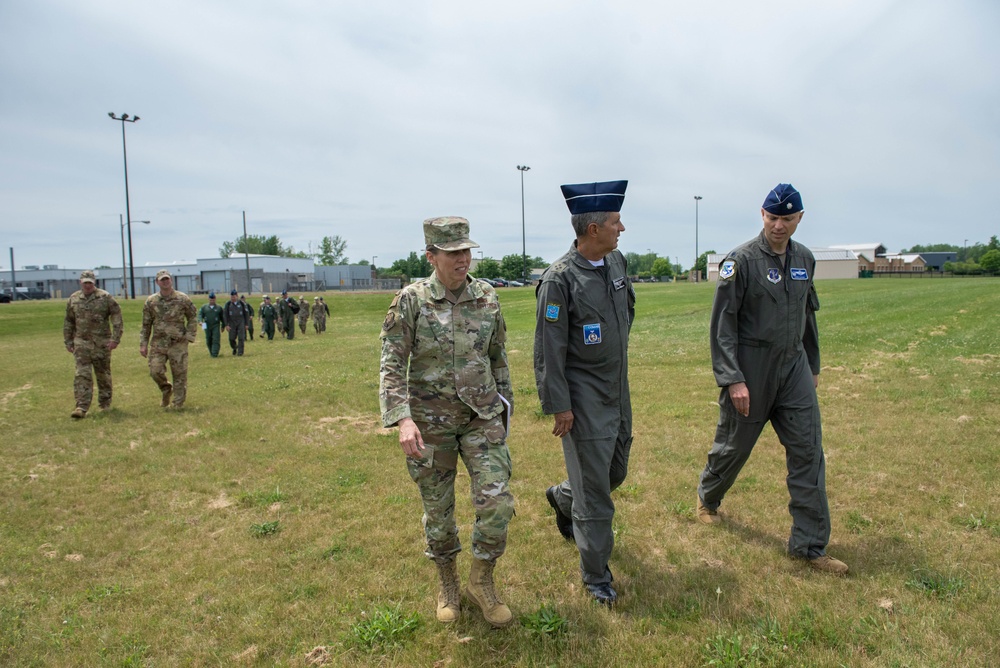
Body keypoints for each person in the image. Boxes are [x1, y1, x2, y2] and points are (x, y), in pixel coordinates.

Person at [696, 184, 848, 575]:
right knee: (733, 447)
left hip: (793, 366)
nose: (779, 225)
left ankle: (810, 546)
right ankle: (708, 497)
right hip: (751, 368)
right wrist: (732, 379)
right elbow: (723, 325)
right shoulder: (740, 261)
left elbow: (807, 315)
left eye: (787, 218)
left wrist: (811, 365)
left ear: (800, 218)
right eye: (772, 216)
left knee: (809, 452)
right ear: (761, 215)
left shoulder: (805, 259)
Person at [379, 216, 515, 628]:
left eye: (467, 250)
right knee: (439, 516)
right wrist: (402, 419)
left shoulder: (487, 296)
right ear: (431, 256)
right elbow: (391, 365)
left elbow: (498, 357)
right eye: (453, 252)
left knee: (497, 504)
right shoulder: (411, 301)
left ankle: (482, 580)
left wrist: (505, 408)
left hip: (480, 417)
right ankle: (448, 583)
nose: (464, 259)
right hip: (429, 424)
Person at [534, 180, 635, 607]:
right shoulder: (559, 281)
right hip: (582, 395)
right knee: (596, 494)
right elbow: (548, 349)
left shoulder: (617, 263)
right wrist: (560, 405)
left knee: (614, 472)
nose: (622, 228)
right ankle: (596, 575)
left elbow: (626, 313)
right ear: (593, 229)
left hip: (617, 387)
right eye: (615, 222)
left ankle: (564, 496)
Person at [63, 269, 123, 418]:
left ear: (94, 283)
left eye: (90, 283)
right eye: (85, 283)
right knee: (82, 374)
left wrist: (115, 339)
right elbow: (69, 321)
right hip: (81, 343)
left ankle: (105, 403)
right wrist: (68, 340)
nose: (87, 286)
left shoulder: (105, 297)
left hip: (101, 343)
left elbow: (116, 317)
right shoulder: (74, 299)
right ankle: (81, 407)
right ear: (80, 283)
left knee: (103, 374)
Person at [140, 269, 198, 409]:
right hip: (159, 343)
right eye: (162, 280)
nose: (165, 282)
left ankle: (178, 403)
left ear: (171, 280)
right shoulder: (151, 301)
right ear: (157, 282)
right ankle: (166, 389)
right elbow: (146, 324)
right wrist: (143, 344)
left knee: (179, 374)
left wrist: (189, 336)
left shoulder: (182, 298)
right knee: (155, 371)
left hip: (178, 343)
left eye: (167, 279)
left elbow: (192, 316)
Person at [222, 289, 248, 356]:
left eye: (234, 297)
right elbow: (225, 315)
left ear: (237, 296)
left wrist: (246, 324)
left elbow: (246, 314)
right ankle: (235, 347)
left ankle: (240, 352)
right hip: (232, 323)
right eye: (231, 297)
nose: (232, 298)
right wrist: (226, 325)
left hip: (240, 322)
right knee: (231, 338)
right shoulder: (228, 304)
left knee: (241, 338)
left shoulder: (242, 304)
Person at [198, 292, 224, 357]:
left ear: (215, 299)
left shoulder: (219, 308)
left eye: (213, 300)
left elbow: (223, 317)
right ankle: (211, 352)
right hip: (206, 325)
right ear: (208, 299)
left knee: (215, 339)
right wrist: (200, 321)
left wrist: (223, 325)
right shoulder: (204, 307)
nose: (212, 301)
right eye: (210, 300)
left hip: (216, 325)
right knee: (208, 339)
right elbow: (200, 315)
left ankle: (215, 353)